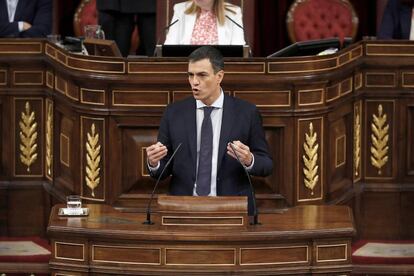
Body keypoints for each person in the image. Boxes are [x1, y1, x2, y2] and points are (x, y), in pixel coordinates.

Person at [146, 46, 272, 215]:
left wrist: (249, 160)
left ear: (219, 76)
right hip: (183, 208)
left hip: (232, 209)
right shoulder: (174, 113)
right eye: (191, 75)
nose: (194, 82)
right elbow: (162, 170)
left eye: (202, 75)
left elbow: (267, 165)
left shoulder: (246, 113)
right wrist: (154, 163)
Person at [164, 0, 245, 45]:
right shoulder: (181, 10)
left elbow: (238, 48)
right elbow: (170, 45)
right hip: (187, 69)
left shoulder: (233, 13)